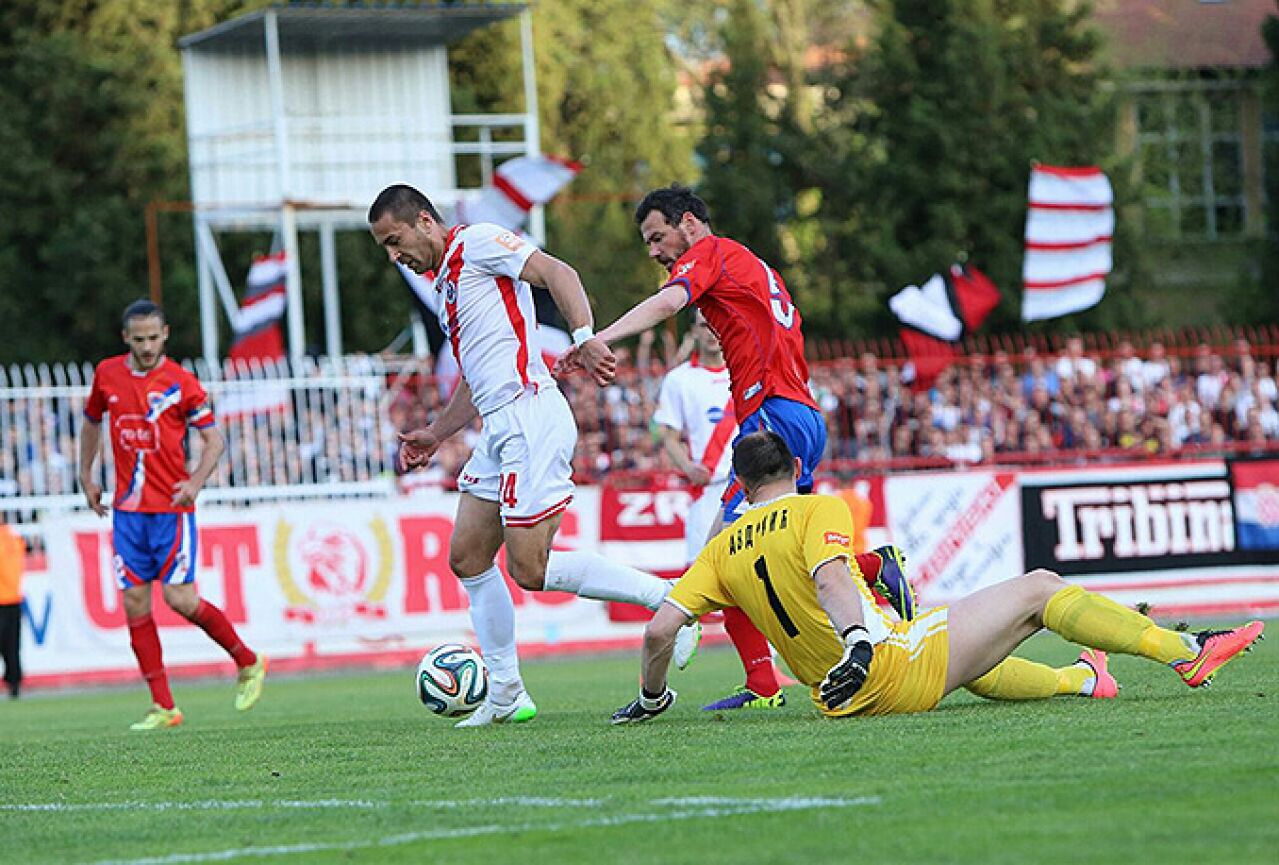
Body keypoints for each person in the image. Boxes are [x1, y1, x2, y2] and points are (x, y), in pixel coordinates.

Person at [612, 431, 1265, 723]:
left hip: (834, 698)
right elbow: (832, 580)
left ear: (738, 484)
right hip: (883, 665)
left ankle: (1083, 678)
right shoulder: (818, 506)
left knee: (965, 651)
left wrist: (650, 698)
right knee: (1038, 586)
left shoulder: (721, 547)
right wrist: (858, 642)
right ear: (796, 467)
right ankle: (1186, 653)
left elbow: (658, 630)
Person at [559, 184, 916, 710]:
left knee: (725, 550)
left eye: (658, 238)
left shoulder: (710, 253)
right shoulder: (748, 262)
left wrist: (599, 338)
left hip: (770, 417)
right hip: (800, 412)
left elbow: (668, 301)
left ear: (688, 222)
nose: (655, 252)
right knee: (779, 550)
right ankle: (867, 574)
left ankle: (755, 680)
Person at [368, 184, 698, 727]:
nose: (393, 256)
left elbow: (558, 273)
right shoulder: (447, 281)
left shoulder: (477, 242)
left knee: (530, 568)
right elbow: (478, 376)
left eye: (395, 240)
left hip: (530, 416)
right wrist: (437, 432)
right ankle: (506, 693)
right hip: (499, 427)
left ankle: (670, 601)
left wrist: (586, 336)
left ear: (425, 221)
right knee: (468, 558)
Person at [79, 300, 267, 730]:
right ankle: (165, 706)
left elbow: (214, 441)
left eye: (153, 338)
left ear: (166, 334)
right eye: (138, 339)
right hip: (128, 511)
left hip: (171, 509)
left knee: (179, 599)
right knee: (134, 602)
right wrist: (85, 475)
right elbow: (91, 422)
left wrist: (195, 482)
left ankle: (248, 661)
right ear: (126, 338)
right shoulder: (107, 375)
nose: (146, 347)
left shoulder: (182, 383)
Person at [0, 517, 24, 698]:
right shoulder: (14, 538)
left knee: (9, 646)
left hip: (6, 598)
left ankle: (13, 680)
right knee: (12, 645)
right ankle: (14, 682)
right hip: (13, 598)